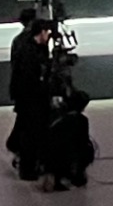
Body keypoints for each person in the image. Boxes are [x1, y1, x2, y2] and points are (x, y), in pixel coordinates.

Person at [7, 14, 54, 181]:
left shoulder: (32, 46)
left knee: (26, 127)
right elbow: (28, 78)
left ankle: (20, 151)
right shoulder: (28, 53)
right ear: (41, 32)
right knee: (30, 132)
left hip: (29, 97)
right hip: (30, 98)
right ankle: (27, 167)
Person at [41, 88, 96, 191]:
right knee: (86, 151)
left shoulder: (57, 115)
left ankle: (56, 175)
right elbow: (82, 142)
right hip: (62, 154)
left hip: (46, 153)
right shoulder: (81, 120)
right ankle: (74, 175)